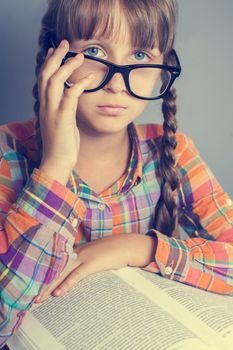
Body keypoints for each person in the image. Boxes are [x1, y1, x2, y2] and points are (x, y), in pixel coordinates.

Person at [0, 0, 233, 347]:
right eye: (94, 49)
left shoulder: (172, 151)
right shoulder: (8, 151)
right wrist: (56, 166)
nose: (117, 84)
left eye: (139, 56)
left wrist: (137, 248)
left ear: (163, 67)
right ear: (56, 58)